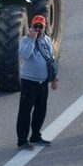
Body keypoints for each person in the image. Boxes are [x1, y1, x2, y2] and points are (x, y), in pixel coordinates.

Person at [16, 14, 58, 150]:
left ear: (44, 27)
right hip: (29, 82)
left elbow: (51, 58)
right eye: (36, 26)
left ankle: (35, 136)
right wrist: (32, 39)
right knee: (25, 111)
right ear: (31, 26)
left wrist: (54, 78)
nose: (38, 29)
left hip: (43, 82)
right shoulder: (25, 40)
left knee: (41, 110)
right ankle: (22, 140)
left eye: (41, 26)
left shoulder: (47, 40)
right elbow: (24, 55)